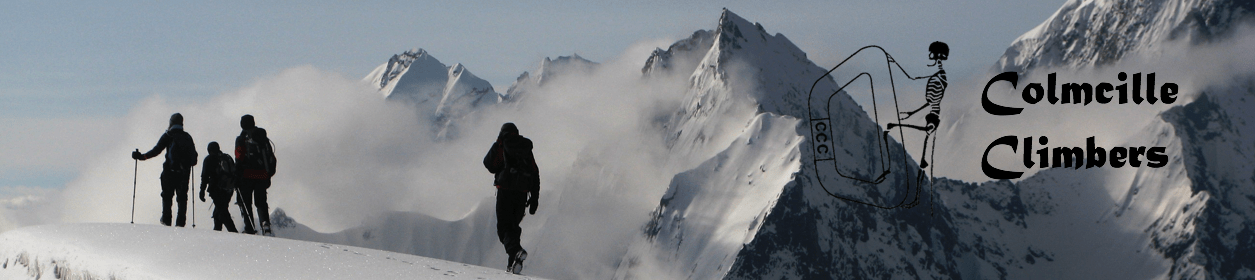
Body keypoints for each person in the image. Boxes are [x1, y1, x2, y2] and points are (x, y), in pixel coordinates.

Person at [482, 123, 540, 274]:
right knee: (513, 227)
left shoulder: (502, 144)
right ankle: (513, 264)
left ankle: (515, 252)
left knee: (504, 229)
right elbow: (534, 173)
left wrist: (497, 143)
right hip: (522, 194)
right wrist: (534, 198)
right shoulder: (526, 148)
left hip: (505, 192)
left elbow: (489, 164)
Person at [888, 41, 949, 171]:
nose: (929, 57)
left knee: (926, 132)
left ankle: (922, 160)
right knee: (926, 133)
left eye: (932, 55)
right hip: (934, 111)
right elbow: (932, 101)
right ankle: (923, 160)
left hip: (934, 113)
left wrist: (894, 63)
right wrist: (912, 112)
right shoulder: (939, 76)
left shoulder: (939, 76)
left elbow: (913, 78)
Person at [132, 113, 198, 227]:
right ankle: (180, 224)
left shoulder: (168, 135)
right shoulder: (187, 137)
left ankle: (167, 222)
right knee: (182, 198)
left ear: (171, 122)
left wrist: (141, 157)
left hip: (169, 173)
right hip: (183, 174)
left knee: (167, 196)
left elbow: (156, 150)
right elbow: (194, 159)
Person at [234, 114, 277, 236]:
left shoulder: (241, 139)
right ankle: (265, 224)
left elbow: (239, 157)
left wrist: (237, 175)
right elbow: (271, 157)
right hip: (262, 175)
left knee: (246, 203)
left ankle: (249, 228)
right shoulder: (263, 138)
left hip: (246, 176)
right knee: (261, 202)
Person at [199, 141, 238, 232]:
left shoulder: (209, 159)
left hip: (216, 189)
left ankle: (234, 232)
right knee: (219, 211)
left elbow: (204, 177)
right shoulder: (227, 157)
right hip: (229, 189)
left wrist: (202, 191)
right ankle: (217, 231)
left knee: (222, 212)